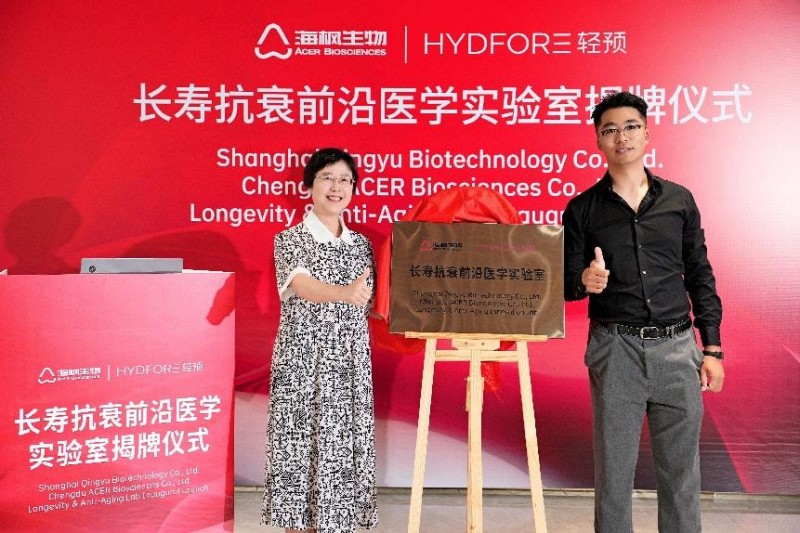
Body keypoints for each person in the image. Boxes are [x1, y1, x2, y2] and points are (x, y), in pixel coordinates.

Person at [563, 92, 725, 533]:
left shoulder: (679, 200)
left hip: (677, 348)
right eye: (610, 130)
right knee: (613, 474)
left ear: (647, 133)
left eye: (631, 126)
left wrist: (712, 348)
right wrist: (585, 280)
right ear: (598, 141)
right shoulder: (582, 209)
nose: (622, 136)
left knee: (681, 474)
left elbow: (700, 274)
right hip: (615, 349)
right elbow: (565, 283)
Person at [262, 148, 378, 533]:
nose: (336, 186)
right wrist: (344, 293)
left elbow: (376, 303)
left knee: (339, 454)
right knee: (299, 455)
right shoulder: (289, 239)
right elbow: (301, 285)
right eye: (327, 177)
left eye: (345, 179)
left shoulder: (362, 245)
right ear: (309, 184)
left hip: (348, 365)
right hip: (302, 361)